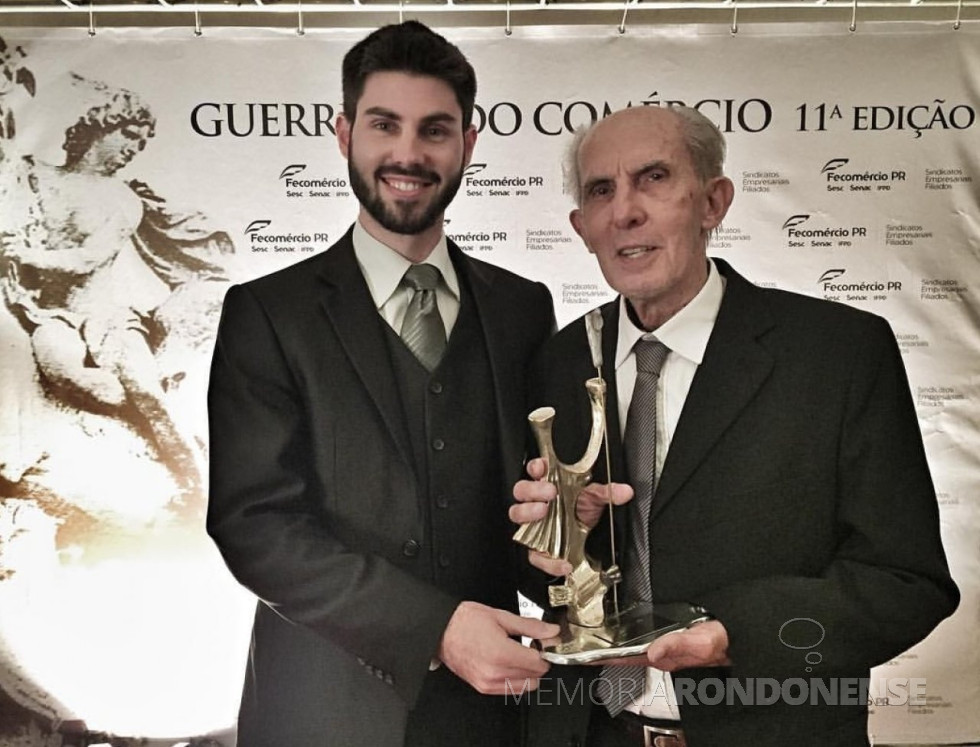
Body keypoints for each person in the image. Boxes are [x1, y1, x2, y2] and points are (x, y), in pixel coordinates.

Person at [510, 105, 959, 746]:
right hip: (590, 730)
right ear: (582, 227)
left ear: (713, 203)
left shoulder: (838, 353)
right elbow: (547, 571)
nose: (625, 211)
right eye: (601, 190)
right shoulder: (556, 363)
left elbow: (906, 583)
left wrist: (736, 635)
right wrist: (554, 543)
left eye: (654, 178)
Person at [206, 21, 558, 747]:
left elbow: (528, 516)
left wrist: (561, 539)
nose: (409, 153)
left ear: (469, 143)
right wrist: (436, 629)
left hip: (490, 716)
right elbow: (254, 526)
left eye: (435, 130)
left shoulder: (524, 308)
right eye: (384, 124)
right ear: (344, 135)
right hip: (319, 713)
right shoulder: (267, 313)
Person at [0, 72, 230, 509]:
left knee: (146, 393)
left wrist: (28, 255)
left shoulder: (123, 199)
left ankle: (199, 486)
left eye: (141, 143)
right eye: (128, 135)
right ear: (97, 125)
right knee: (76, 381)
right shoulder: (34, 176)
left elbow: (88, 258)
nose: (133, 148)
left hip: (109, 317)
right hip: (49, 315)